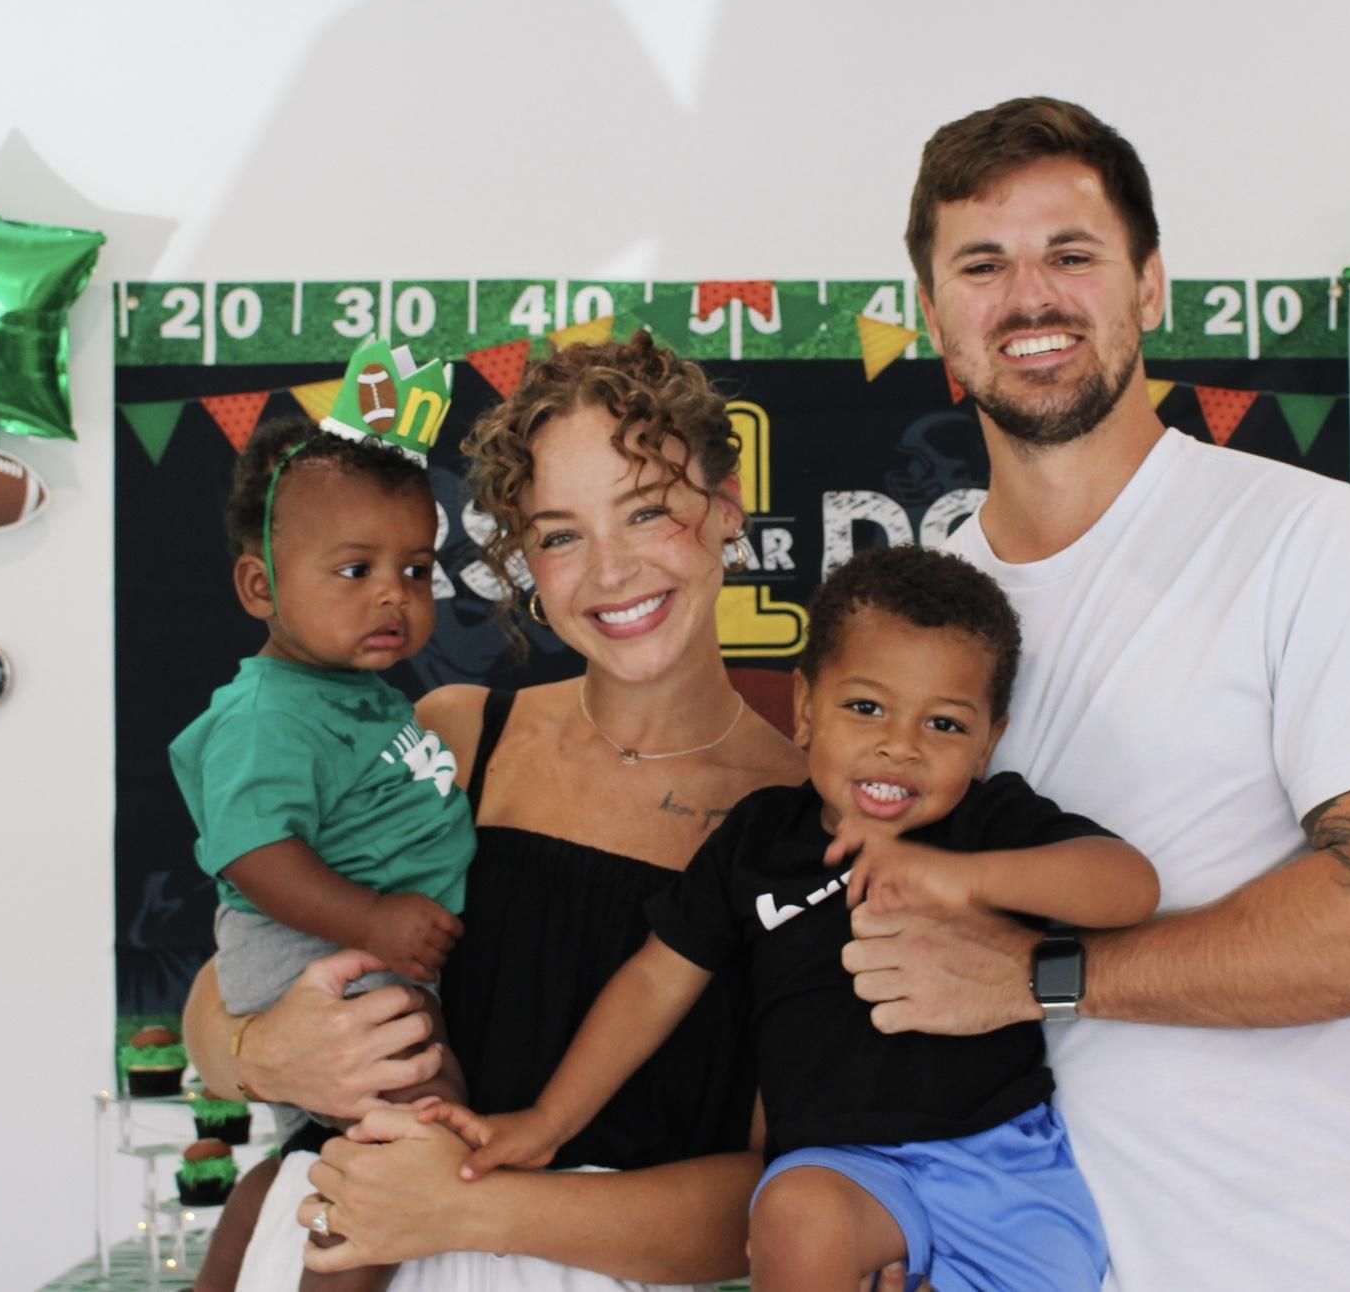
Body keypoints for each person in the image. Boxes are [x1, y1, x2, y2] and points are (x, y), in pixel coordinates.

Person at [837, 96, 1350, 1291]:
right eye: (981, 265)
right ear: (933, 316)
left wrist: (1036, 976)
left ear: (1149, 287)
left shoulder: (1296, 534)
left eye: (1070, 253)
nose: (1027, 297)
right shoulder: (920, 620)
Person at [184, 332, 819, 1292]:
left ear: (726, 508)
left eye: (646, 511)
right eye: (560, 535)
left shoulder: (813, 822)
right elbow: (232, 979)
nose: (610, 571)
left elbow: (780, 1201)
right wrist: (262, 1056)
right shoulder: (452, 736)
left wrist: (467, 1208)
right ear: (523, 562)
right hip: (328, 1244)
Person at [417, 543, 1159, 1292]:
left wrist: (965, 878)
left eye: (944, 725)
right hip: (839, 1169)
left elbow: (1128, 887)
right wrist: (550, 1119)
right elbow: (655, 983)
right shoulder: (760, 839)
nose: (899, 746)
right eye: (865, 708)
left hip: (1002, 1163)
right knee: (794, 1215)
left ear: (988, 742)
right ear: (806, 710)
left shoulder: (988, 823)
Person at [171, 417, 476, 1292]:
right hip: (316, 952)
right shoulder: (269, 712)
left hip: (351, 951)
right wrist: (372, 920)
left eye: (414, 571)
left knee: (314, 1157)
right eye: (354, 571)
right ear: (259, 586)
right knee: (414, 1133)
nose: (393, 597)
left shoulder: (354, 696)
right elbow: (251, 851)